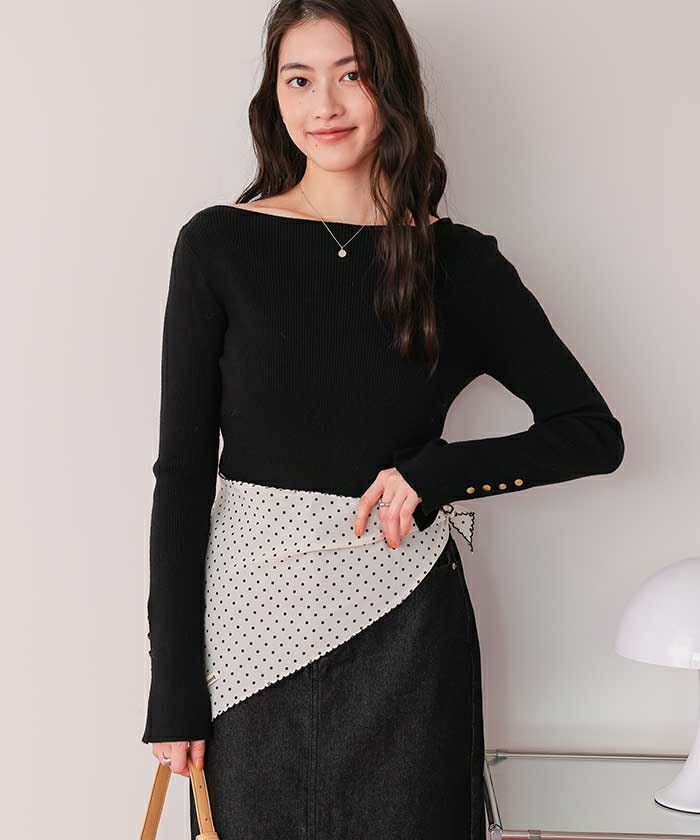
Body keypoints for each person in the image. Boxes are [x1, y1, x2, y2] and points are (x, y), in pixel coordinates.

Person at [141, 2, 625, 838]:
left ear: (391, 86)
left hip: (405, 633)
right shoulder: (219, 244)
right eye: (299, 80)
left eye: (351, 75)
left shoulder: (459, 262)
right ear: (274, 96)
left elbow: (590, 432)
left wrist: (435, 474)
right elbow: (181, 477)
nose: (324, 105)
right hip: (248, 636)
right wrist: (173, 685)